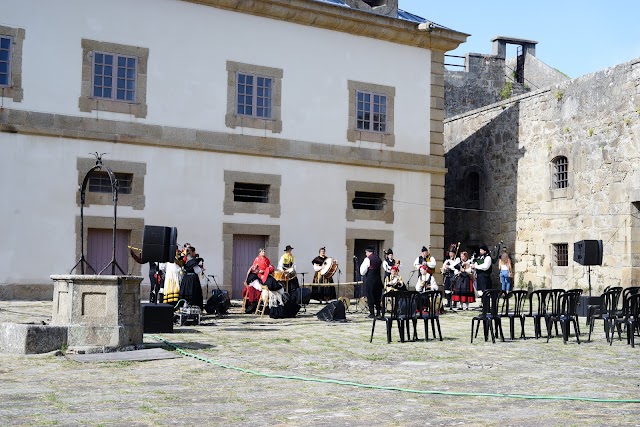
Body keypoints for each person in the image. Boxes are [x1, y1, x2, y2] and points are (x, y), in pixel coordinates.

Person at [359, 245, 383, 318]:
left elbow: (362, 271)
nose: (366, 254)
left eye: (366, 252)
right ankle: (378, 313)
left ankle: (372, 313)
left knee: (370, 295)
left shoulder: (367, 259)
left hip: (370, 280)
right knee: (378, 296)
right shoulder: (378, 259)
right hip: (378, 279)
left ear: (368, 252)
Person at [441, 244, 460, 309]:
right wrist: (444, 269)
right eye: (450, 253)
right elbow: (443, 267)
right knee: (447, 289)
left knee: (453, 289)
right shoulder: (447, 260)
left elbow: (455, 267)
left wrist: (449, 265)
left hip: (453, 276)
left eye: (452, 253)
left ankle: (454, 302)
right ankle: (449, 302)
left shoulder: (457, 259)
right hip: (447, 276)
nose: (451, 254)